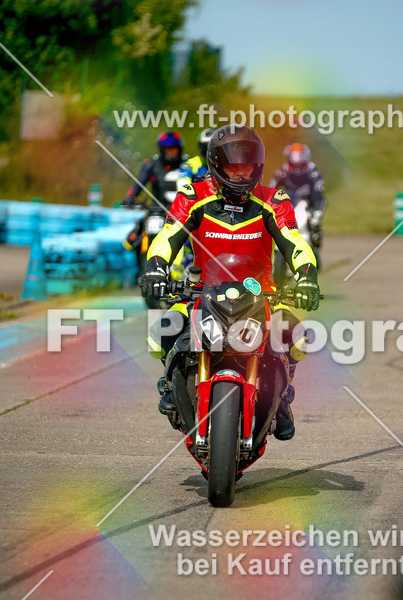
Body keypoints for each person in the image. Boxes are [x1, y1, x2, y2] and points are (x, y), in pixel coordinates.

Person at [141, 125, 321, 441]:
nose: (240, 173)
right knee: (160, 333)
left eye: (247, 165)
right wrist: (156, 269)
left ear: (259, 166)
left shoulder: (274, 201)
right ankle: (171, 384)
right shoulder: (192, 197)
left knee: (299, 337)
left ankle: (281, 397)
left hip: (261, 294)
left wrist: (306, 279)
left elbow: (296, 243)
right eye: (232, 166)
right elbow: (167, 239)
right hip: (201, 292)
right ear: (216, 164)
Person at [269, 143, 327, 246]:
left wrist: (316, 214)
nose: (297, 166)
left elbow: (318, 196)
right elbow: (270, 193)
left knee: (314, 226)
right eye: (294, 163)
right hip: (287, 207)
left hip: (308, 207)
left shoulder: (313, 173)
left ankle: (315, 246)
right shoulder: (281, 173)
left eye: (300, 163)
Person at [122, 130, 188, 210]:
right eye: (168, 149)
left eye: (174, 149)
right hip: (157, 212)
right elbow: (139, 184)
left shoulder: (188, 164)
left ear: (179, 149)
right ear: (162, 150)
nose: (171, 152)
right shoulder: (152, 165)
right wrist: (130, 197)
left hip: (185, 211)